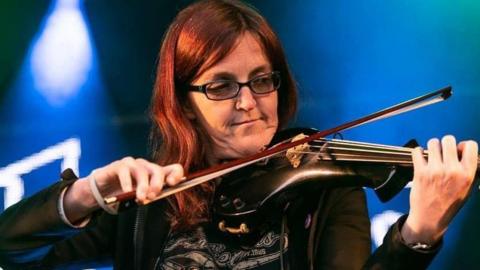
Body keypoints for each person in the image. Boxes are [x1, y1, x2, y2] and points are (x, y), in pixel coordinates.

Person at [0, 0, 478, 269]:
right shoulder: (146, 203)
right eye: (222, 86)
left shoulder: (323, 182)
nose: (249, 102)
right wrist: (85, 194)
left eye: (262, 79)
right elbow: (10, 250)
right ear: (183, 99)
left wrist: (418, 233)